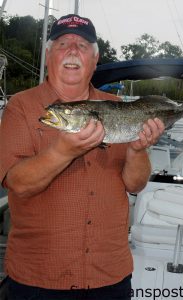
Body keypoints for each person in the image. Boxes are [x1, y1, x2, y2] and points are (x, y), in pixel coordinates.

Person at [0, 14, 164, 300]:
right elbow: (18, 184)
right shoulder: (21, 107)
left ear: (95, 58)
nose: (73, 50)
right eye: (63, 43)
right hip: (40, 278)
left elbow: (135, 185)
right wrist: (63, 151)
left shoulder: (118, 107)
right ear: (49, 55)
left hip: (110, 275)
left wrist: (138, 150)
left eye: (83, 45)